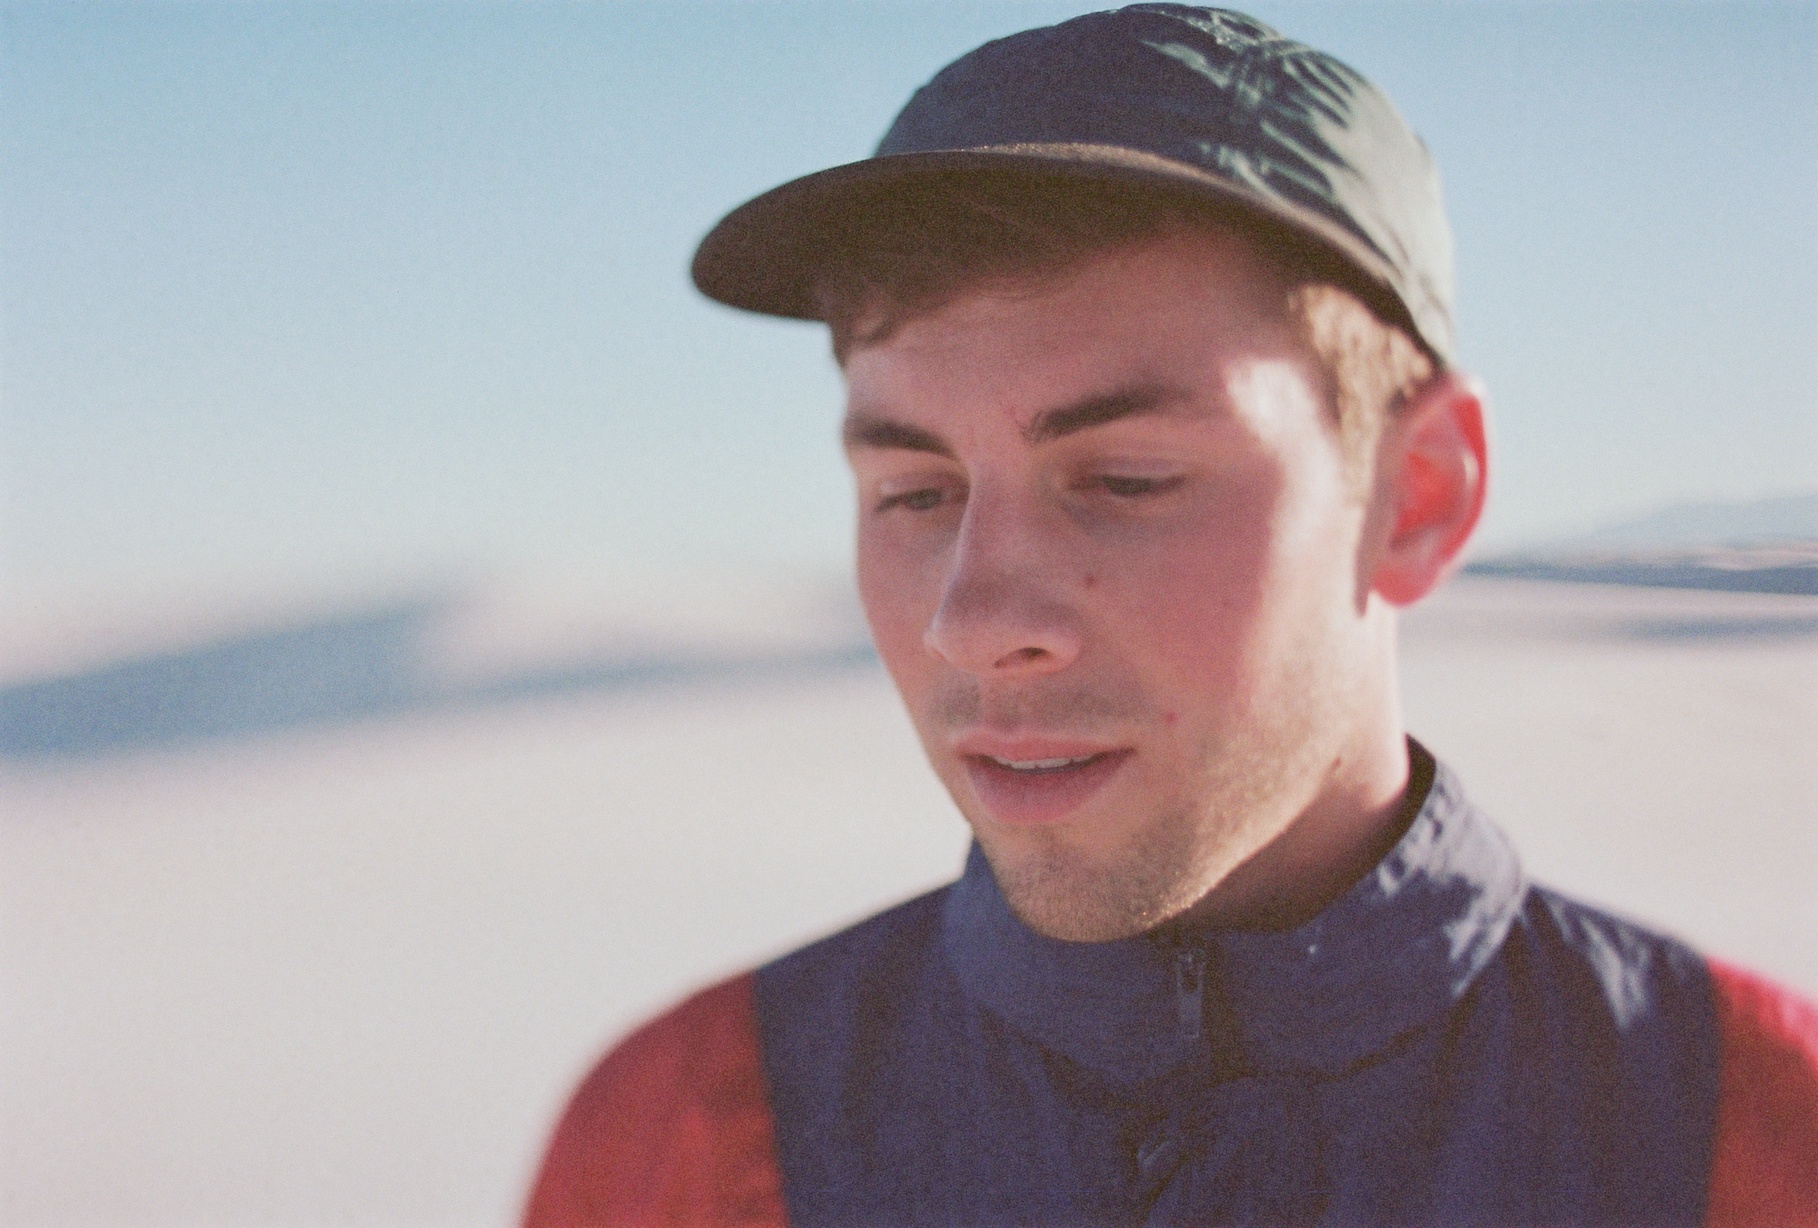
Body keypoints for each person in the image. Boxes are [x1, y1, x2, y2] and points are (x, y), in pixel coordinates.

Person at [524, 6, 1818, 1224]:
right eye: (914, 491)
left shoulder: (1754, 1134)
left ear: (1415, 495)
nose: (970, 622)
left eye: (1125, 481)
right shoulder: (685, 1135)